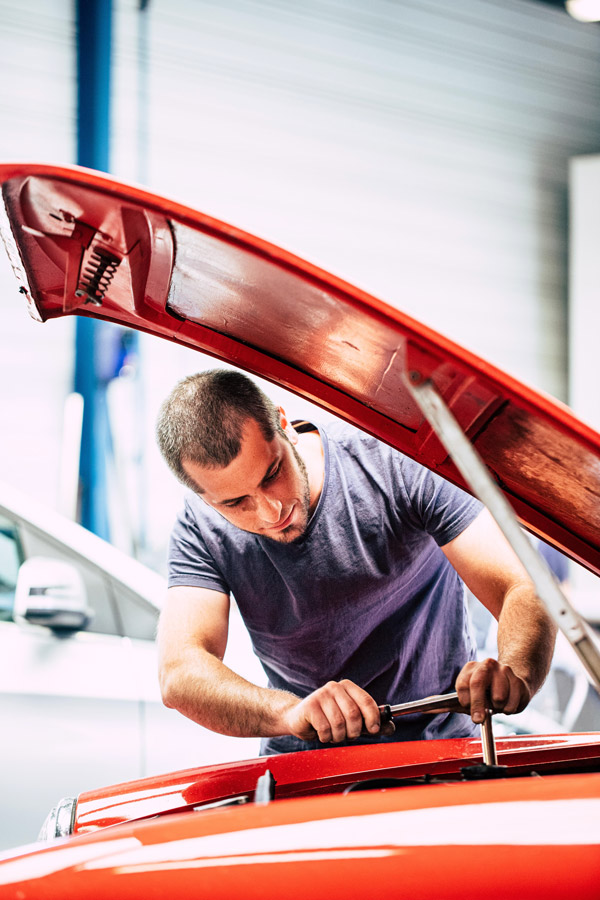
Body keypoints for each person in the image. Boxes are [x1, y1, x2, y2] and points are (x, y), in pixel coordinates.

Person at [156, 369, 557, 755]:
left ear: (283, 424)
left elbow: (522, 586)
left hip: (441, 749)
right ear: (204, 499)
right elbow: (181, 671)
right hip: (303, 761)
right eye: (235, 503)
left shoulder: (393, 462)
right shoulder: (200, 527)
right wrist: (289, 712)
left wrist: (515, 672)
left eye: (272, 473)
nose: (269, 510)